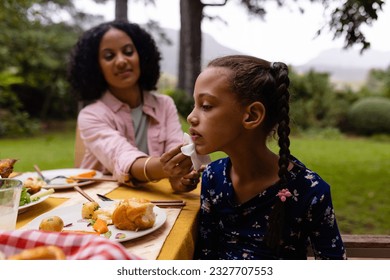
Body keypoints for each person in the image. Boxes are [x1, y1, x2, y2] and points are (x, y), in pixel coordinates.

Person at [187, 55, 346, 259]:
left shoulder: (310, 192)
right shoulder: (212, 176)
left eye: (206, 105)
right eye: (195, 104)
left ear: (252, 116)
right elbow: (205, 255)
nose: (191, 116)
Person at [67, 20, 199, 192]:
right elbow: (121, 157)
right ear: (96, 67)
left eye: (128, 52)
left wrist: (180, 177)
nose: (121, 61)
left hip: (157, 202)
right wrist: (167, 168)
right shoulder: (91, 115)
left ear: (141, 56)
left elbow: (174, 151)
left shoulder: (164, 105)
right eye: (109, 56)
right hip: (100, 204)